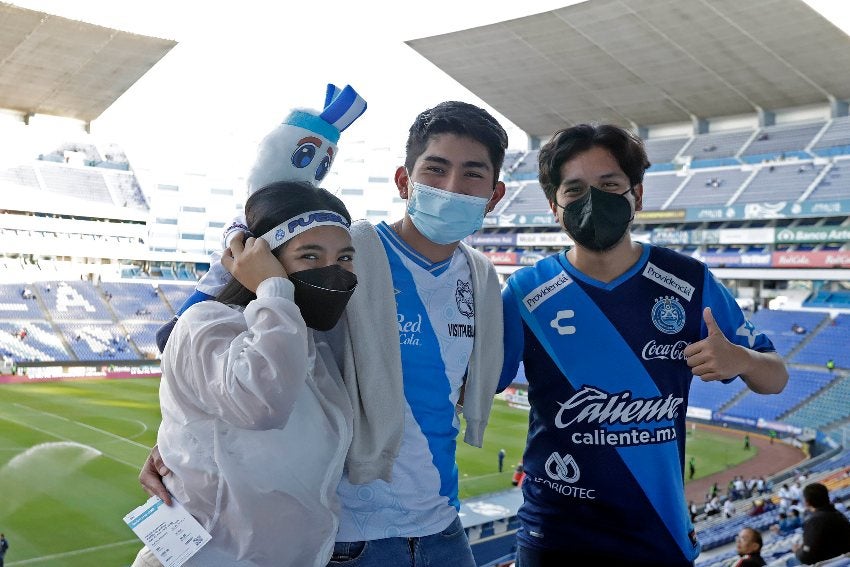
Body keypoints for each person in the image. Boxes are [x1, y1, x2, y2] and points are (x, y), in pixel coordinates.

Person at [141, 100, 509, 567]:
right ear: (404, 181)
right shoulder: (340, 251)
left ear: (494, 194)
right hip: (348, 538)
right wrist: (180, 443)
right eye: (435, 169)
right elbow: (191, 343)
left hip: (442, 526)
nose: (452, 186)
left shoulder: (483, 280)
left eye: (472, 174)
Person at [499, 123, 788, 566]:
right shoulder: (524, 293)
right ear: (554, 207)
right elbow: (472, 388)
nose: (592, 200)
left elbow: (775, 377)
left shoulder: (690, 282)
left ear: (637, 194)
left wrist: (739, 358)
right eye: (573, 190)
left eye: (609, 184)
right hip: (554, 532)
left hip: (657, 530)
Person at [132, 182, 357, 567]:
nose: (331, 272)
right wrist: (273, 289)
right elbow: (261, 404)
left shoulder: (309, 339)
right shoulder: (206, 324)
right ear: (262, 260)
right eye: (310, 255)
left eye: (344, 257)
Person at [791, 482, 850, 565]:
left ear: (807, 502)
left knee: (791, 561)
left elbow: (807, 557)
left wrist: (797, 551)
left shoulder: (814, 522)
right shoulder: (838, 515)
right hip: (844, 561)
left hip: (830, 562)